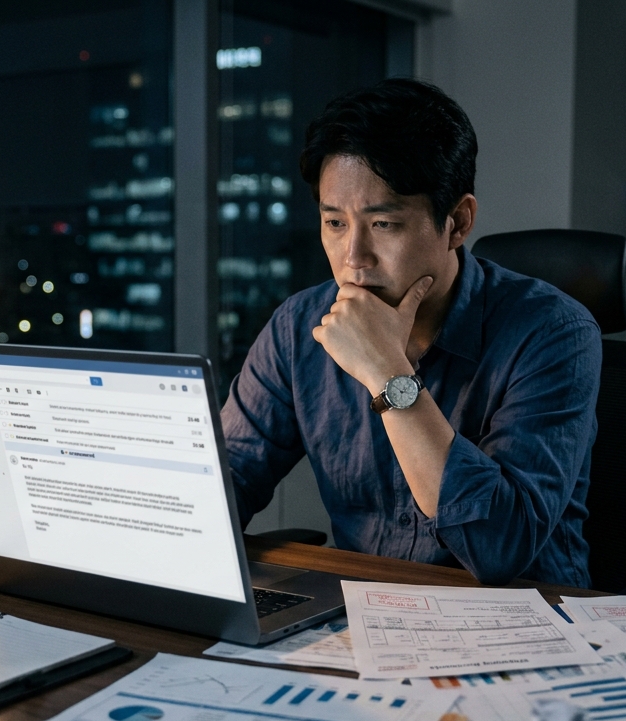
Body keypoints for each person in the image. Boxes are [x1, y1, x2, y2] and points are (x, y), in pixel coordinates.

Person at [220, 79, 601, 588]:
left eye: (384, 225)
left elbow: (500, 548)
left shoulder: (555, 332)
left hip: (524, 622)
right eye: (334, 223)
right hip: (363, 616)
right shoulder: (298, 327)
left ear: (458, 222)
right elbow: (226, 481)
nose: (353, 259)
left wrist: (387, 373)